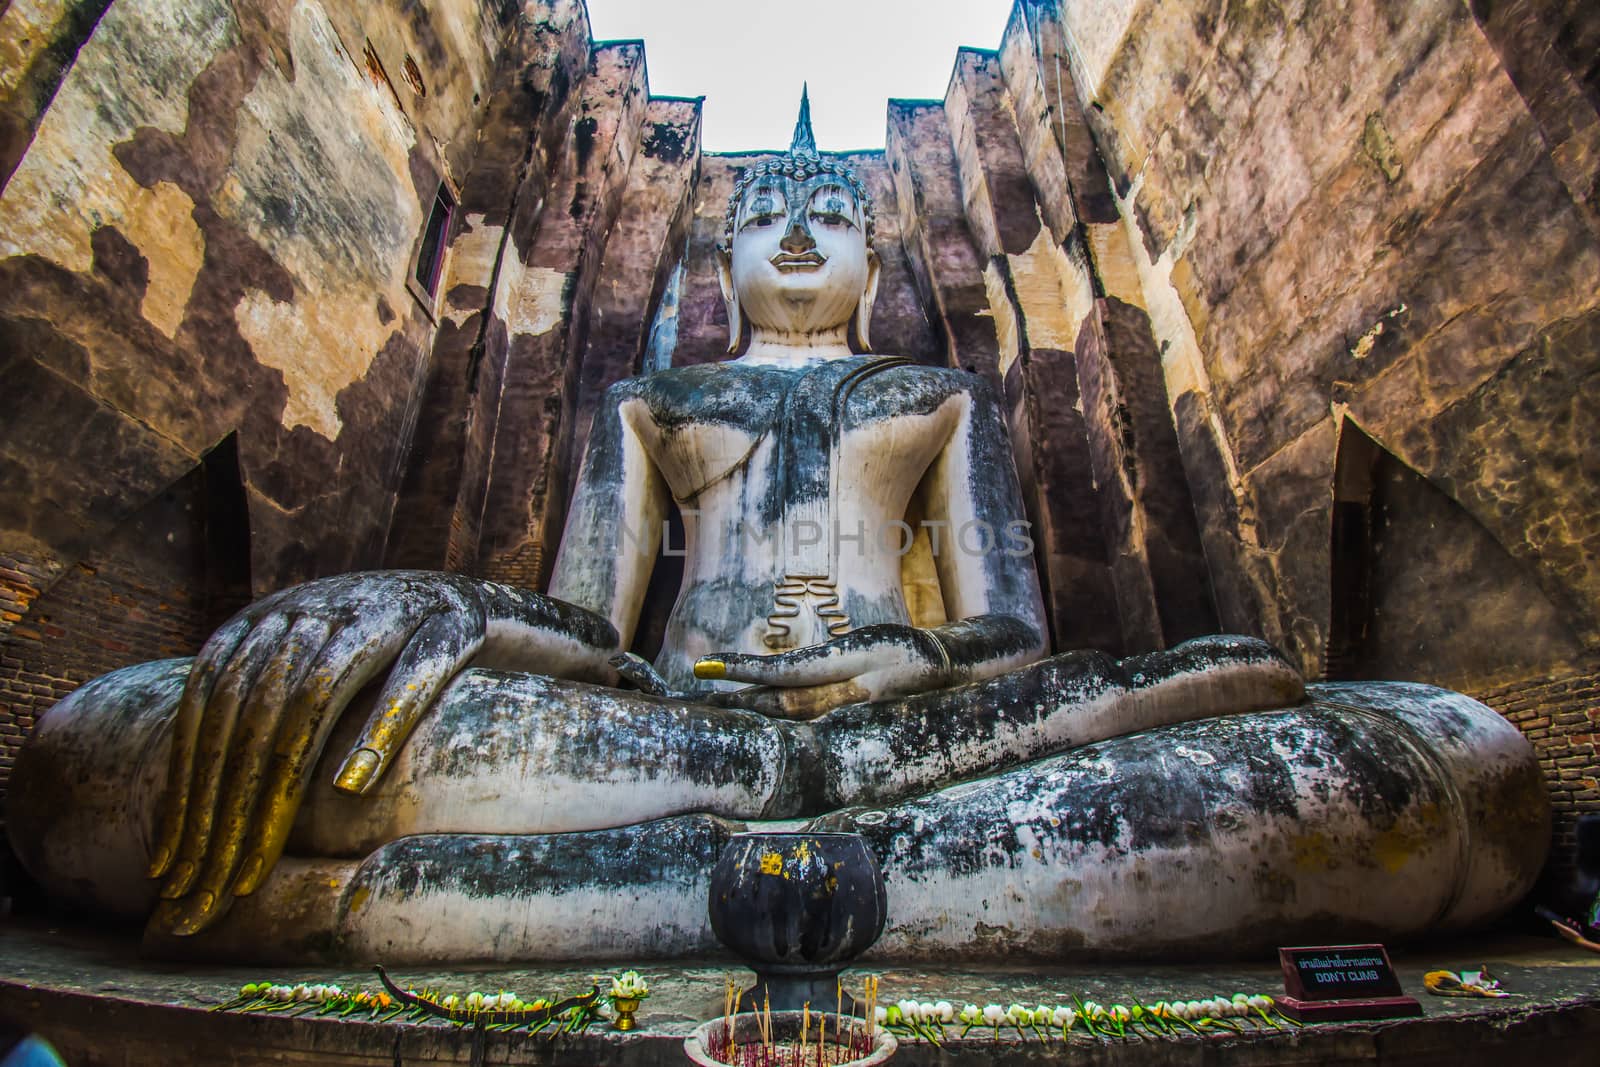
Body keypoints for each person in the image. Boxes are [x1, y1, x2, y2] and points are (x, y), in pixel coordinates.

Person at [6, 102, 1547, 962]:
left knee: (1429, 755)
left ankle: (604, 899)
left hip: (921, 730)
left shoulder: (934, 394)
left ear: (873, 256)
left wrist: (908, 652)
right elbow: (595, 631)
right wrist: (435, 612)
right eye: (765, 213)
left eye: (828, 213)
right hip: (683, 735)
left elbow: (1016, 631)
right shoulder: (653, 398)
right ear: (723, 251)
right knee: (112, 747)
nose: (797, 231)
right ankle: (868, 878)